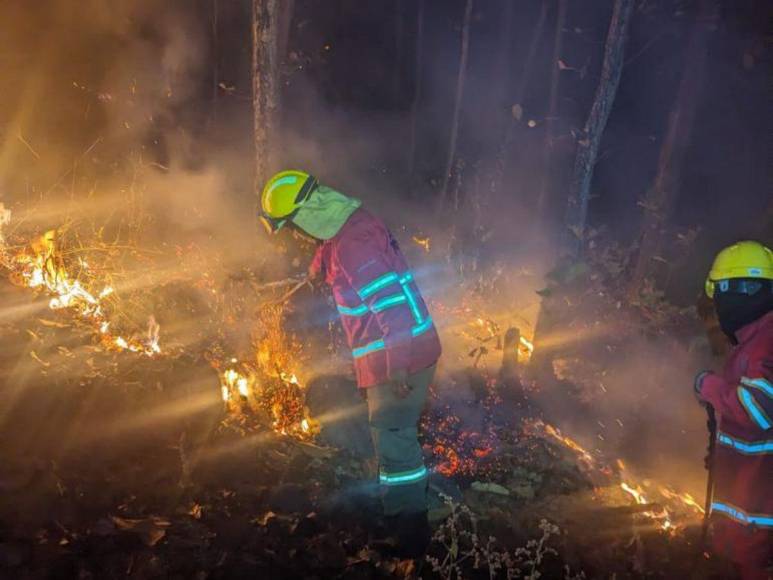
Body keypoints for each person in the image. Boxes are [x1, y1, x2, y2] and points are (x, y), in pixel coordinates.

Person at [259, 170, 442, 556]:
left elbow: (391, 308)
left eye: (293, 226)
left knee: (393, 435)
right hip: (401, 350)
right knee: (388, 434)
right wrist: (314, 271)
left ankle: (411, 537)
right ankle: (399, 511)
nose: (295, 234)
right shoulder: (349, 226)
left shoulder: (352, 247)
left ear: (308, 215)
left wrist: (396, 368)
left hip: (401, 355)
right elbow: (333, 249)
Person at [694, 240, 773, 580]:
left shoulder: (766, 341)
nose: (719, 308)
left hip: (761, 516)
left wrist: (708, 386)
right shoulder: (753, 339)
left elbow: (758, 410)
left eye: (720, 296)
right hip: (750, 509)